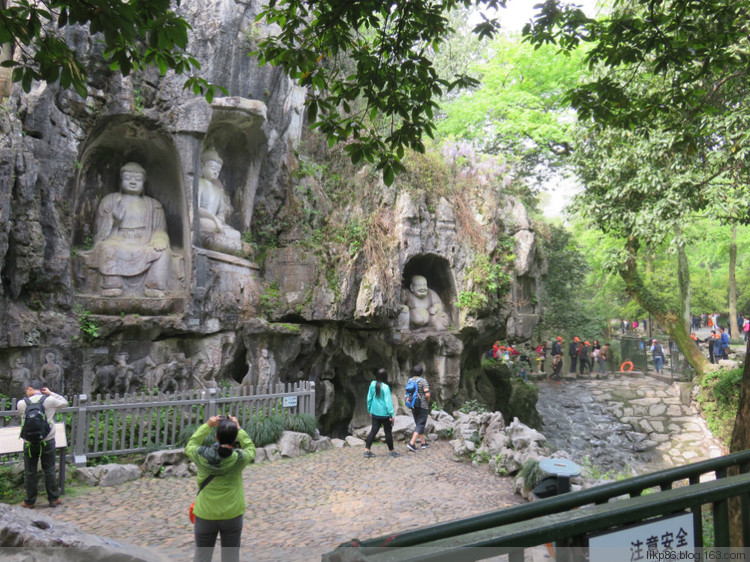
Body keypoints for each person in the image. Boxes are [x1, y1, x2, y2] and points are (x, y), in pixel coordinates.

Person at [86, 162, 172, 298]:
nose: (133, 182)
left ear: (144, 181)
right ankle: (112, 284)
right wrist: (113, 219)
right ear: (121, 181)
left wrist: (159, 239)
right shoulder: (110, 200)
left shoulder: (154, 205)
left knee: (162, 251)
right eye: (128, 178)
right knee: (106, 247)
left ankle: (154, 286)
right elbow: (100, 230)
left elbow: (160, 230)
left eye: (137, 179)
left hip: (144, 241)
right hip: (118, 239)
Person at [186, 414, 255, 562]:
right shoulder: (239, 458)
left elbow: (190, 445)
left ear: (216, 437)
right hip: (232, 514)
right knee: (231, 558)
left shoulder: (201, 456)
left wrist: (208, 425)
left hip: (205, 514)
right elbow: (250, 448)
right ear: (234, 438)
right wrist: (239, 428)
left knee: (202, 558)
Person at [17, 380, 68, 509]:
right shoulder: (49, 400)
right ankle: (53, 498)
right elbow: (64, 402)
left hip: (29, 442)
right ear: (41, 389)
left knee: (30, 471)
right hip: (47, 440)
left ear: (30, 389)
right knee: (49, 469)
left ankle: (29, 501)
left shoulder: (22, 403)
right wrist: (51, 393)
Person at [364, 368, 399, 458]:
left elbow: (369, 398)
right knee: (388, 432)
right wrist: (391, 414)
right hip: (385, 414)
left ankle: (367, 451)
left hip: (375, 412)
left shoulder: (372, 384)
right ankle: (391, 451)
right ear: (385, 377)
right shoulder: (385, 387)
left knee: (373, 431)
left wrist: (370, 410)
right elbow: (388, 402)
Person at [406, 365, 431, 452]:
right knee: (420, 424)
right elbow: (427, 394)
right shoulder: (423, 381)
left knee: (418, 424)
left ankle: (423, 443)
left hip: (413, 405)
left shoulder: (410, 380)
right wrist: (428, 400)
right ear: (421, 372)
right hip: (422, 406)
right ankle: (412, 443)